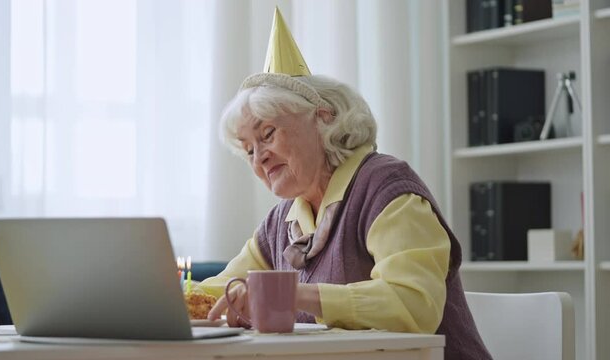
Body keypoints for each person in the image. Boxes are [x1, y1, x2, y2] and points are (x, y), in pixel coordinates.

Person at [199, 7, 492, 360]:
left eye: (268, 134)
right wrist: (164, 298)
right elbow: (221, 291)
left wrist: (294, 295)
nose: (258, 156)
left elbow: (414, 304)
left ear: (324, 118)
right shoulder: (281, 224)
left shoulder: (386, 190)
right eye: (248, 150)